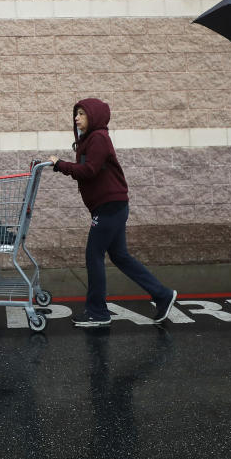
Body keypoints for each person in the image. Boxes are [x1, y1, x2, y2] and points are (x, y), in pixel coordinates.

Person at [47, 98, 177, 327]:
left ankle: (97, 312)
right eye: (75, 114)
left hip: (110, 207)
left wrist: (61, 165)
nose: (76, 118)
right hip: (111, 206)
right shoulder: (90, 140)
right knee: (119, 256)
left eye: (81, 114)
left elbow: (90, 170)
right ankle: (163, 295)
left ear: (94, 116)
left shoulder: (99, 138)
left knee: (93, 255)